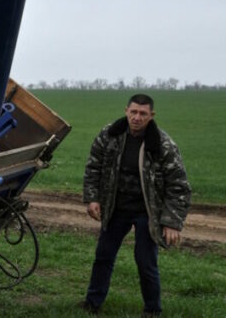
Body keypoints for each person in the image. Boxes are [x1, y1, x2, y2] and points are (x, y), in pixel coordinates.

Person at [79, 94, 191, 316]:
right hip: (116, 208)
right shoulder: (109, 135)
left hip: (147, 212)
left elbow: (178, 186)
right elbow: (93, 167)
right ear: (126, 111)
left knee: (145, 262)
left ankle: (152, 310)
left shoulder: (163, 144)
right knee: (103, 256)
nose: (137, 117)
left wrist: (172, 222)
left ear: (151, 116)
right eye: (134, 112)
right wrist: (93, 198)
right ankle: (92, 303)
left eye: (143, 114)